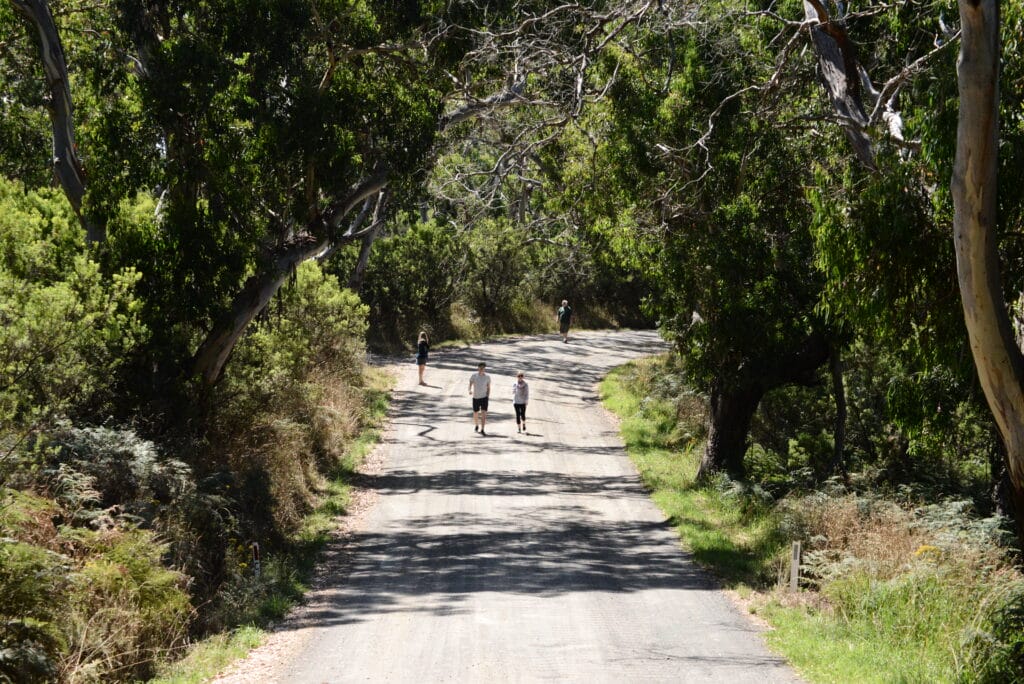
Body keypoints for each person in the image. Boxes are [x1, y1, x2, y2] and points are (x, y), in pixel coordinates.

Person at [469, 362, 491, 435]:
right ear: (478, 368)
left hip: (484, 398)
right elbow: (470, 384)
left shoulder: (487, 377)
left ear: (484, 368)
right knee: (476, 413)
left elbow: (488, 387)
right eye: (480, 367)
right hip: (476, 397)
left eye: (483, 368)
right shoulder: (474, 376)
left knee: (484, 414)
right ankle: (476, 425)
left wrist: (487, 396)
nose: (481, 369)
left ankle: (482, 429)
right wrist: (469, 390)